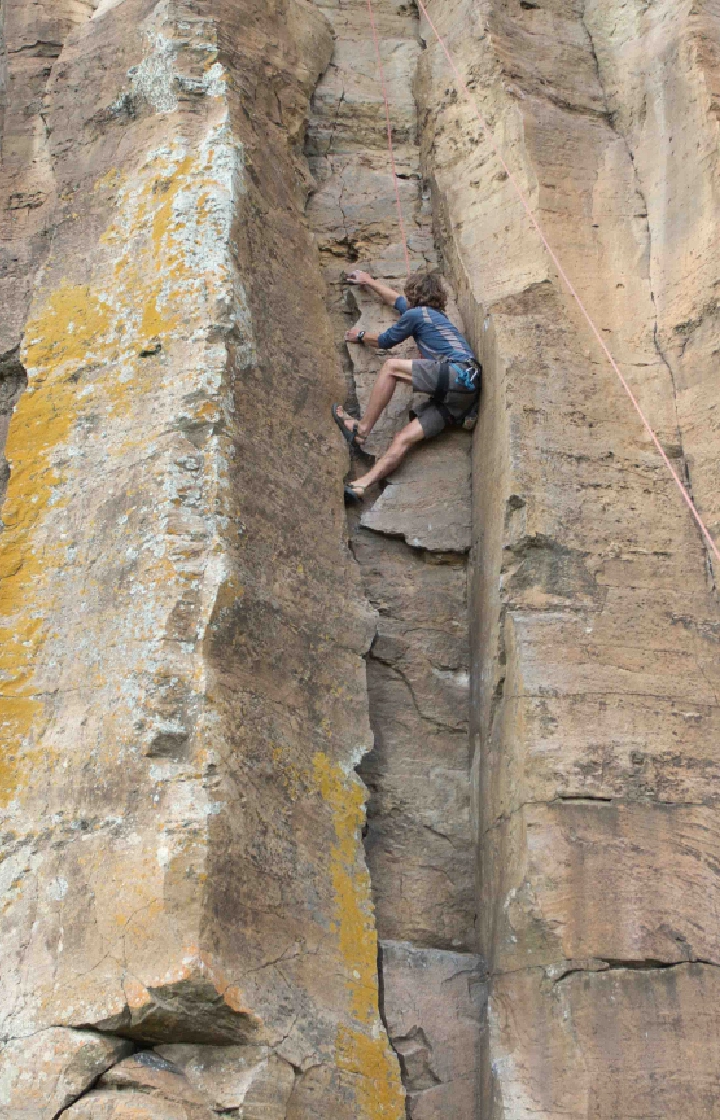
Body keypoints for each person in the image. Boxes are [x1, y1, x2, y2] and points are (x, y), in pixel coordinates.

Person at [332, 269, 481, 503]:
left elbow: (385, 341)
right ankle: (362, 485)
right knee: (404, 437)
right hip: (465, 395)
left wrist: (360, 335)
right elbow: (395, 300)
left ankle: (361, 430)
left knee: (391, 367)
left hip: (456, 373)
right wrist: (369, 281)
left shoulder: (419, 314)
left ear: (414, 293)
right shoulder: (432, 317)